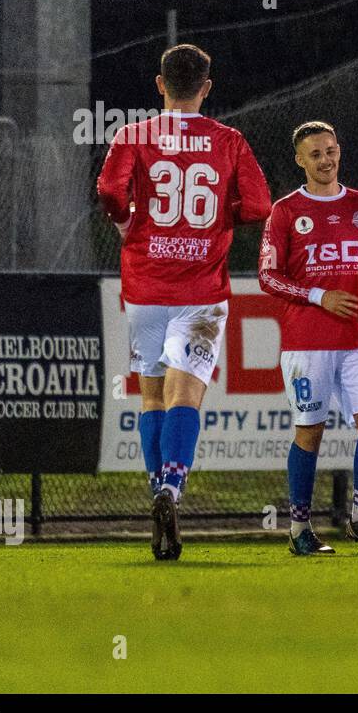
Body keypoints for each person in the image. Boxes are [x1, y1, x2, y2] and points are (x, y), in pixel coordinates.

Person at [97, 43, 271, 560]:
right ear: (207, 87)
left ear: (159, 85)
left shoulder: (134, 135)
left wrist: (130, 223)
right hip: (200, 290)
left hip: (146, 286)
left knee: (151, 397)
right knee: (186, 397)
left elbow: (109, 191)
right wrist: (218, 221)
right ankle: (172, 489)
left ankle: (157, 492)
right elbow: (260, 204)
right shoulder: (227, 140)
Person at [258, 121, 358, 555]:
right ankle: (299, 530)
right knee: (309, 432)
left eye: (330, 151)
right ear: (300, 160)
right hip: (306, 342)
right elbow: (268, 276)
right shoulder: (286, 210)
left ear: (339, 151)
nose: (326, 160)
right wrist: (319, 295)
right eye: (315, 154)